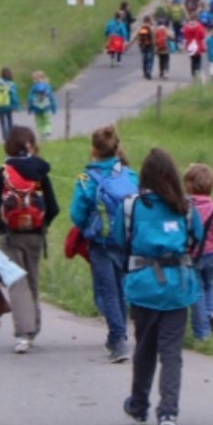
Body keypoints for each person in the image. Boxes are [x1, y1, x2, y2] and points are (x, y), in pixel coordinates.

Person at [121, 148, 204, 425]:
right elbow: (197, 239)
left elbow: (121, 241)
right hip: (177, 287)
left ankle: (139, 405)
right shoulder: (185, 207)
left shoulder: (132, 206)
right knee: (171, 352)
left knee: (144, 348)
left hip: (144, 285)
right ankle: (168, 411)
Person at [0, 125, 58, 353]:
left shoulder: (2, 172)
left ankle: (23, 334)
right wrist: (41, 223)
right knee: (32, 279)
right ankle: (33, 329)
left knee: (16, 281)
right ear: (31, 145)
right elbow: (53, 207)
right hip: (35, 235)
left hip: (9, 234)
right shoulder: (41, 173)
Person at [69, 125, 139, 362]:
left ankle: (118, 340)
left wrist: (87, 228)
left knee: (107, 290)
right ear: (117, 148)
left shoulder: (86, 178)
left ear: (94, 150)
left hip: (100, 242)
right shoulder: (130, 175)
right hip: (125, 240)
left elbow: (76, 213)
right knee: (120, 286)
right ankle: (117, 335)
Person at [182, 163, 213, 341]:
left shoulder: (186, 207)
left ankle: (202, 332)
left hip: (192, 256)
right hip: (212, 254)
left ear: (188, 185)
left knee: (197, 291)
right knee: (209, 284)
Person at [0, 67, 19, 142]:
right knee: (9, 120)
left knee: (2, 122)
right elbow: (13, 95)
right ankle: (11, 135)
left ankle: (5, 137)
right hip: (8, 105)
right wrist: (16, 105)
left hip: (0, 105)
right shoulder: (11, 84)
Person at [26, 70, 56, 138]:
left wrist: (30, 109)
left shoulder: (33, 88)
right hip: (46, 108)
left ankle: (41, 133)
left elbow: (30, 99)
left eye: (34, 79)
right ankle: (47, 131)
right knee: (47, 121)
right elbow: (52, 98)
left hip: (37, 109)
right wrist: (53, 108)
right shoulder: (47, 87)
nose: (34, 81)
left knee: (39, 122)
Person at [179, 17, 207, 82]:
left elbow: (184, 35)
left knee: (192, 61)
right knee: (198, 60)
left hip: (190, 46)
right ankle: (197, 72)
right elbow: (202, 36)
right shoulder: (199, 26)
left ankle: (193, 75)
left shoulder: (186, 27)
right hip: (198, 45)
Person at [134, 15, 157, 80]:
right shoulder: (151, 27)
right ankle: (148, 71)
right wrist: (155, 46)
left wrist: (128, 45)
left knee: (144, 58)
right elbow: (153, 37)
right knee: (150, 59)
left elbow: (135, 37)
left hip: (143, 46)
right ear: (149, 21)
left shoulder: (141, 27)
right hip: (150, 45)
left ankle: (145, 72)